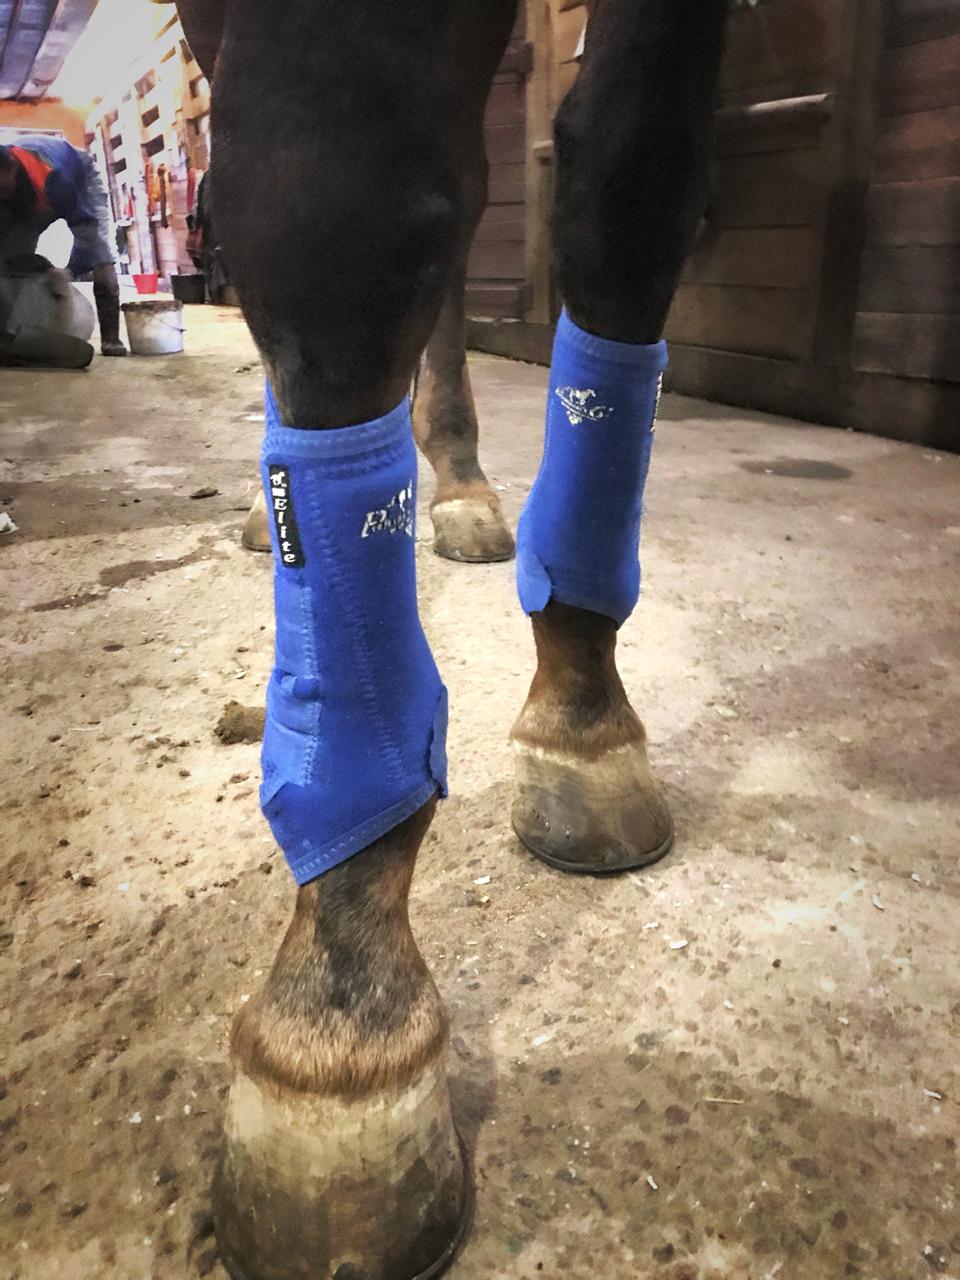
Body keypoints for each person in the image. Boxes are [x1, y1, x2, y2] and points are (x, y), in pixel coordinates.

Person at [0, 136, 127, 358]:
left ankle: (111, 338)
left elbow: (86, 227)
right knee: (12, 259)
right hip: (29, 198)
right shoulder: (7, 183)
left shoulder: (54, 177)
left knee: (99, 252)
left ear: (12, 168)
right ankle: (12, 333)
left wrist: (69, 271)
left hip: (79, 176)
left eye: (1, 188)